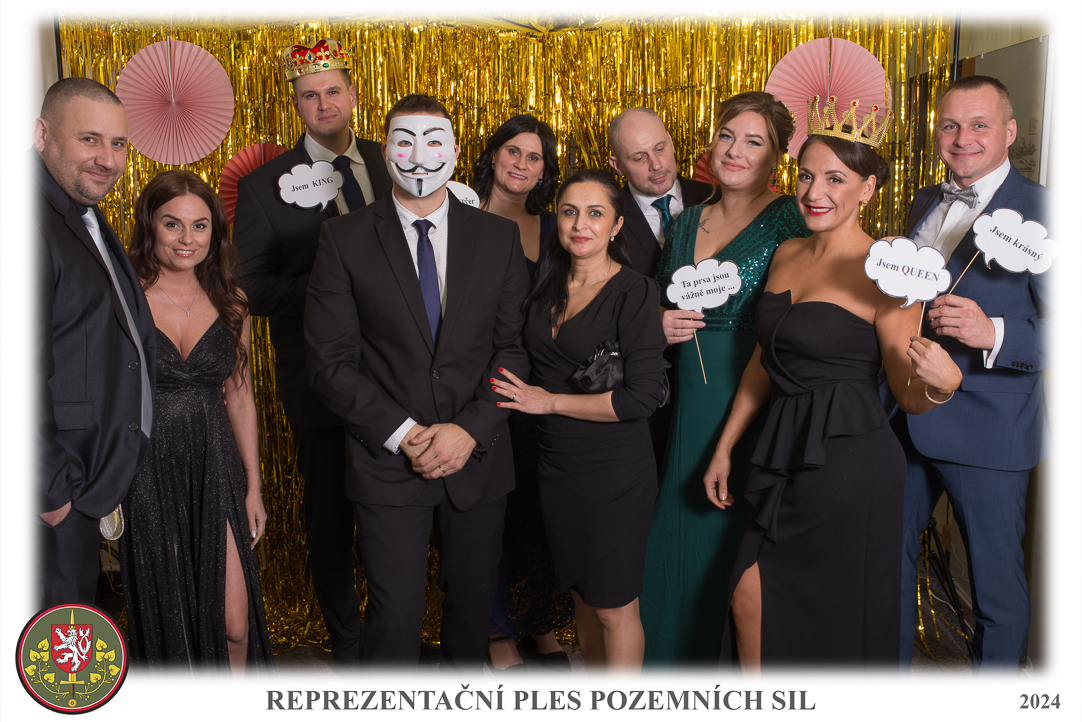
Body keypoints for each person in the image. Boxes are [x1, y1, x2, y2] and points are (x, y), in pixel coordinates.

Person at [703, 112, 962, 668]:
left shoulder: (889, 271)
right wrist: (725, 446)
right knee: (748, 592)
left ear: (867, 188)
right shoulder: (786, 254)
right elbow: (764, 362)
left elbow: (906, 392)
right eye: (805, 175)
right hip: (782, 446)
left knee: (834, 617)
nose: (814, 192)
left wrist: (942, 386)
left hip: (848, 464)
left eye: (835, 179)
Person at [304, 94, 531, 670]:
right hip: (386, 464)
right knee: (394, 618)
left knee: (472, 615)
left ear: (453, 149)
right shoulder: (343, 239)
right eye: (405, 142)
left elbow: (513, 349)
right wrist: (406, 434)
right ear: (385, 151)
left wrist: (468, 430)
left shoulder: (498, 237)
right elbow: (330, 363)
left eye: (434, 141)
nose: (421, 155)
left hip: (477, 459)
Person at [233, 38, 392, 666]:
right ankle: (348, 645)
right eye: (309, 95)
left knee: (397, 512)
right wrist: (336, 285)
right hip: (319, 385)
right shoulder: (264, 187)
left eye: (332, 91)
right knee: (329, 516)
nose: (323, 103)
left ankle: (393, 636)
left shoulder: (394, 162)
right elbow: (250, 285)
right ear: (296, 105)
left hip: (401, 378)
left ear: (353, 95)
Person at [640, 91, 810, 665]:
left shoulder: (792, 219)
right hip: (686, 400)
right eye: (727, 136)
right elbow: (654, 303)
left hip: (753, 394)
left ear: (777, 157)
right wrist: (658, 322)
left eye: (753, 141)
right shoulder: (684, 222)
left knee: (733, 538)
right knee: (678, 529)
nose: (735, 151)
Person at [895, 75, 1049, 669]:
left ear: (1009, 131)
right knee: (886, 565)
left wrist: (994, 333)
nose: (962, 139)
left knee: (995, 591)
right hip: (905, 413)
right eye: (950, 126)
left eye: (979, 125)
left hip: (989, 426)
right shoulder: (923, 200)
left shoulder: (1048, 210)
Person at [493, 169, 668, 671]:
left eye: (595, 214)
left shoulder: (635, 290)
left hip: (615, 473)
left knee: (614, 608)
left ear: (617, 225)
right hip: (555, 466)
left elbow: (641, 399)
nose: (580, 225)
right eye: (569, 212)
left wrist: (548, 402)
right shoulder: (543, 286)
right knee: (581, 600)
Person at [118, 170, 273, 672]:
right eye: (173, 224)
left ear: (215, 232)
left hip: (215, 464)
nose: (187, 239)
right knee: (172, 621)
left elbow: (240, 396)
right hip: (146, 471)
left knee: (235, 624)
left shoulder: (232, 300)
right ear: (150, 226)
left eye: (200, 226)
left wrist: (253, 486)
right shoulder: (124, 299)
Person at [35, 77, 156, 607]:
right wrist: (49, 492)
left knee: (72, 632)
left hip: (88, 479)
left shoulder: (80, 212)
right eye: (89, 139)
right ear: (42, 135)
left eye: (118, 143)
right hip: (56, 491)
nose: (107, 159)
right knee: (52, 642)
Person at [470, 115, 574, 671]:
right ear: (493, 155)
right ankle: (496, 631)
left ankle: (540, 622)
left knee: (538, 509)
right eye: (513, 151)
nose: (521, 164)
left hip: (542, 389)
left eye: (535, 157)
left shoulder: (556, 226)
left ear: (544, 170)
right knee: (489, 511)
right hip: (477, 384)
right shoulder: (459, 216)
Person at [608, 108, 714, 470]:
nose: (656, 165)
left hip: (718, 386)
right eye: (639, 158)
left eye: (660, 148)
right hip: (645, 398)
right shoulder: (602, 216)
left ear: (671, 142)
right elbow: (586, 300)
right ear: (617, 165)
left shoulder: (715, 198)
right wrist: (647, 322)